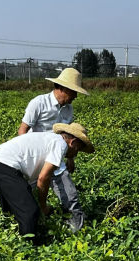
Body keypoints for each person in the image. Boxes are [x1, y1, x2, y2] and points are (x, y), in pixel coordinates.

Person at [0, 123, 94, 240]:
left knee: (13, 210)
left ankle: (14, 238)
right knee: (29, 211)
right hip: (4, 166)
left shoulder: (49, 139)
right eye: (79, 149)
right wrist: (43, 206)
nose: (76, 154)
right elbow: (43, 178)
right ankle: (29, 249)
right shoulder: (61, 144)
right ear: (73, 142)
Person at [18, 68, 89, 232]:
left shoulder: (68, 109)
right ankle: (35, 227)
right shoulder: (39, 103)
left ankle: (75, 228)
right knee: (27, 197)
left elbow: (69, 136)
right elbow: (22, 130)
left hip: (56, 159)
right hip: (35, 160)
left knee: (70, 195)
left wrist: (70, 158)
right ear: (63, 88)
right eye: (74, 92)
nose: (76, 96)